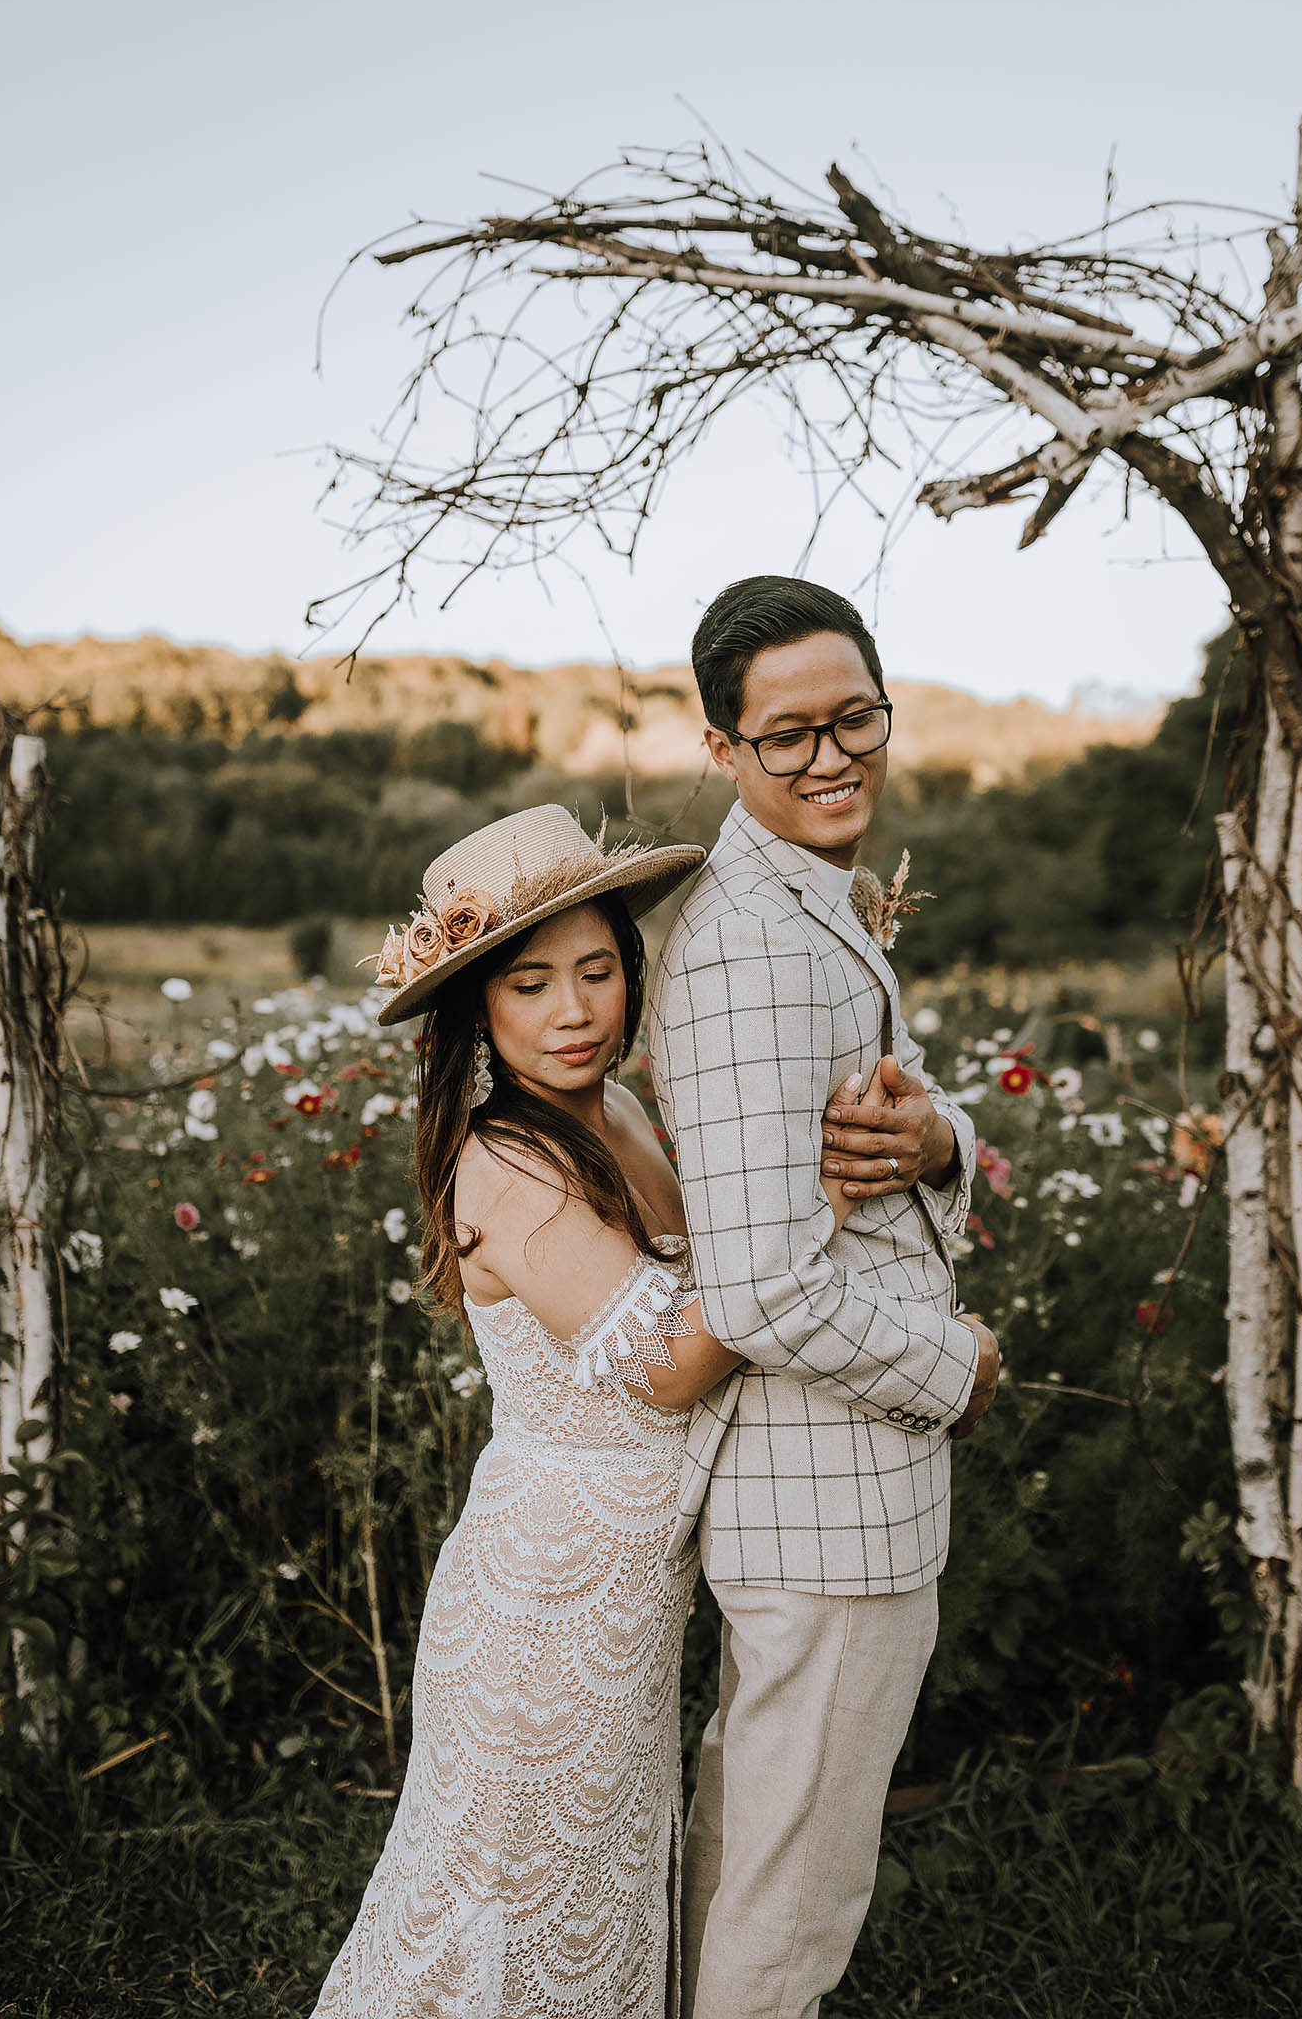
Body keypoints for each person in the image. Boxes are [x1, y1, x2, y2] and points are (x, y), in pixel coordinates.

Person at [311, 804, 877, 2019]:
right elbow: (671, 1361)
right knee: (513, 1895)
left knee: (601, 1881)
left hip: (629, 1583)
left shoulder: (615, 1115)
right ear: (480, 1008)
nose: (575, 1011)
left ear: (630, 967)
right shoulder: (505, 1159)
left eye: (597, 970)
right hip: (543, 1593)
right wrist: (812, 1215)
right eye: (530, 983)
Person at [648, 574, 1001, 2019]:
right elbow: (762, 1287)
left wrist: (943, 1139)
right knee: (789, 1913)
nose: (829, 756)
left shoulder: (819, 905)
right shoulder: (747, 948)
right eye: (785, 735)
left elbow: (887, 1133)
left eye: (853, 717)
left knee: (759, 1859)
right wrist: (954, 1368)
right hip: (823, 1503)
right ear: (723, 749)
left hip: (836, 1497)